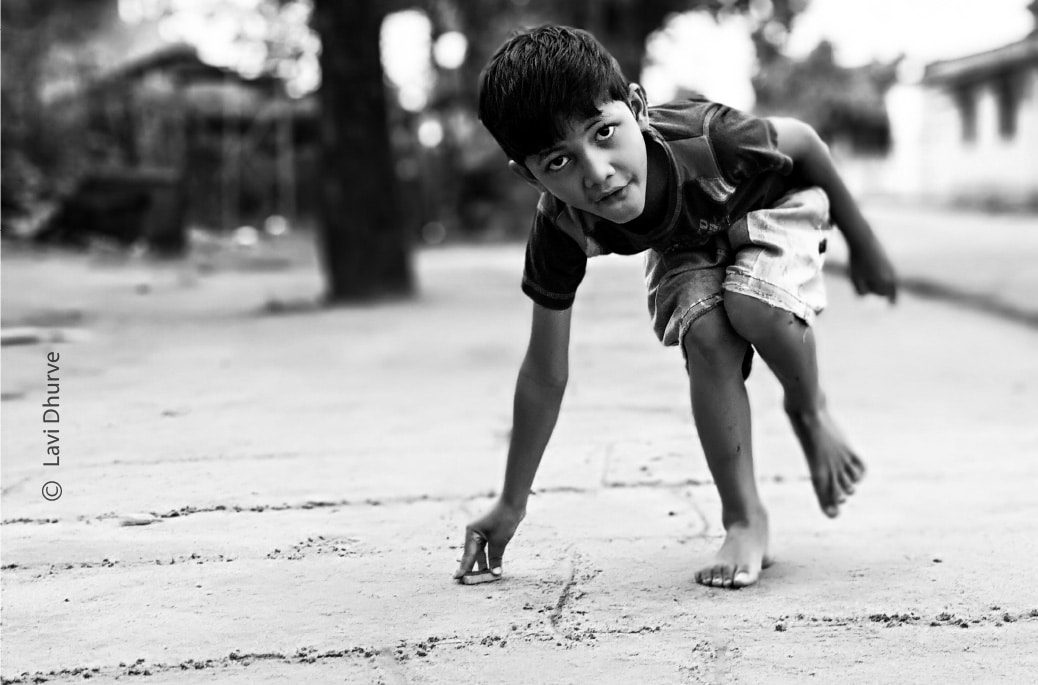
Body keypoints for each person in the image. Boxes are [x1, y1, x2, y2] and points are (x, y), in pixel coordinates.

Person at [453, 25, 897, 589]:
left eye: (604, 132)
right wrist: (511, 503)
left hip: (772, 208)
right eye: (558, 163)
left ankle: (809, 409)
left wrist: (866, 245)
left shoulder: (712, 139)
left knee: (753, 305)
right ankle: (743, 519)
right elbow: (544, 373)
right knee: (707, 335)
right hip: (690, 241)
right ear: (527, 175)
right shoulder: (561, 226)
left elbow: (805, 142)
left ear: (636, 107)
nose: (598, 172)